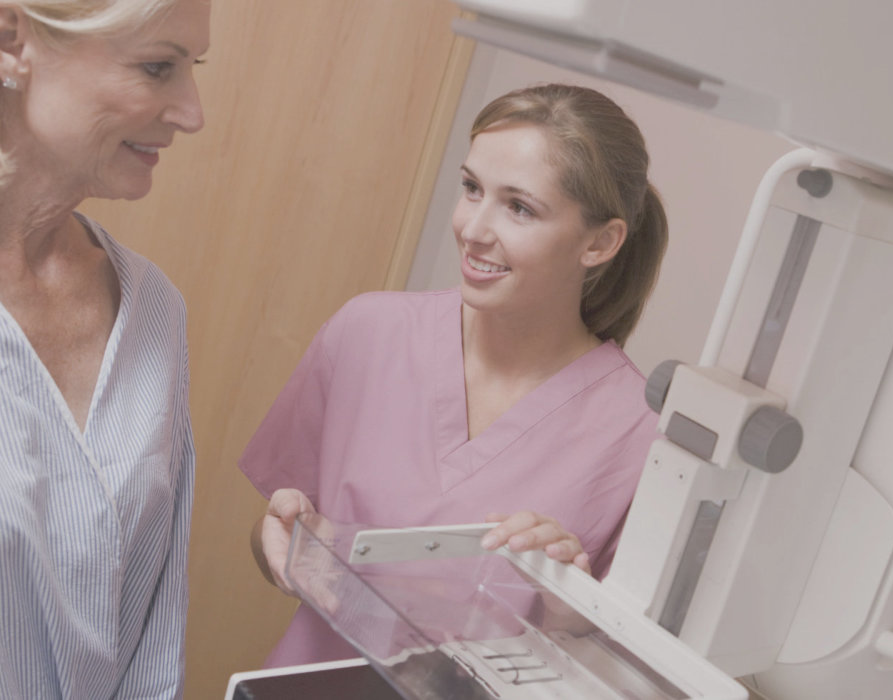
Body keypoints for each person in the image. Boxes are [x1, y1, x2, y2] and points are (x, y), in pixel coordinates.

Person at [241, 83, 669, 667]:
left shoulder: (640, 436)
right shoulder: (367, 333)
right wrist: (284, 544)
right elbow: (275, 543)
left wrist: (571, 610)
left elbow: (628, 667)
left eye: (519, 207)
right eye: (472, 189)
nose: (473, 229)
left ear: (600, 241)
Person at [0, 0, 207, 697]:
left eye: (191, 70)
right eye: (158, 67)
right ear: (11, 41)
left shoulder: (152, 311)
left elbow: (153, 625)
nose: (191, 112)